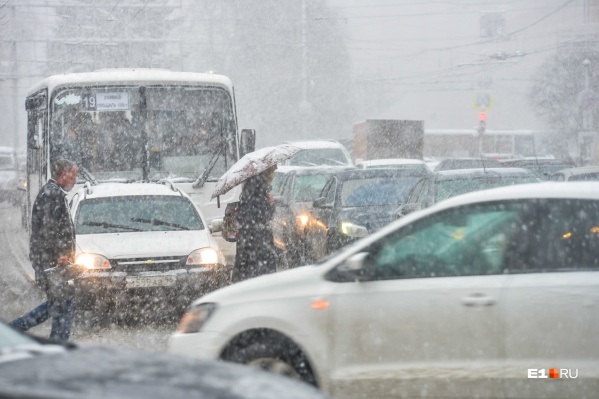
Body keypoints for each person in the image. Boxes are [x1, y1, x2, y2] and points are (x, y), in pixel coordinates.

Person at [10, 159, 78, 341]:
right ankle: (57, 343)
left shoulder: (54, 192)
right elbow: (48, 229)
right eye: (74, 175)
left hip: (50, 260)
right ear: (63, 175)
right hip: (50, 261)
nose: (76, 180)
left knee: (58, 303)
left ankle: (17, 329)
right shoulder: (51, 194)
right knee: (62, 304)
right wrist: (59, 255)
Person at [232, 165, 278, 283]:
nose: (274, 174)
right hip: (256, 242)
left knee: (249, 278)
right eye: (272, 170)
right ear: (266, 172)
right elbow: (259, 215)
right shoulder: (257, 190)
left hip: (251, 240)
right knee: (259, 280)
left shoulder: (254, 188)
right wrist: (270, 205)